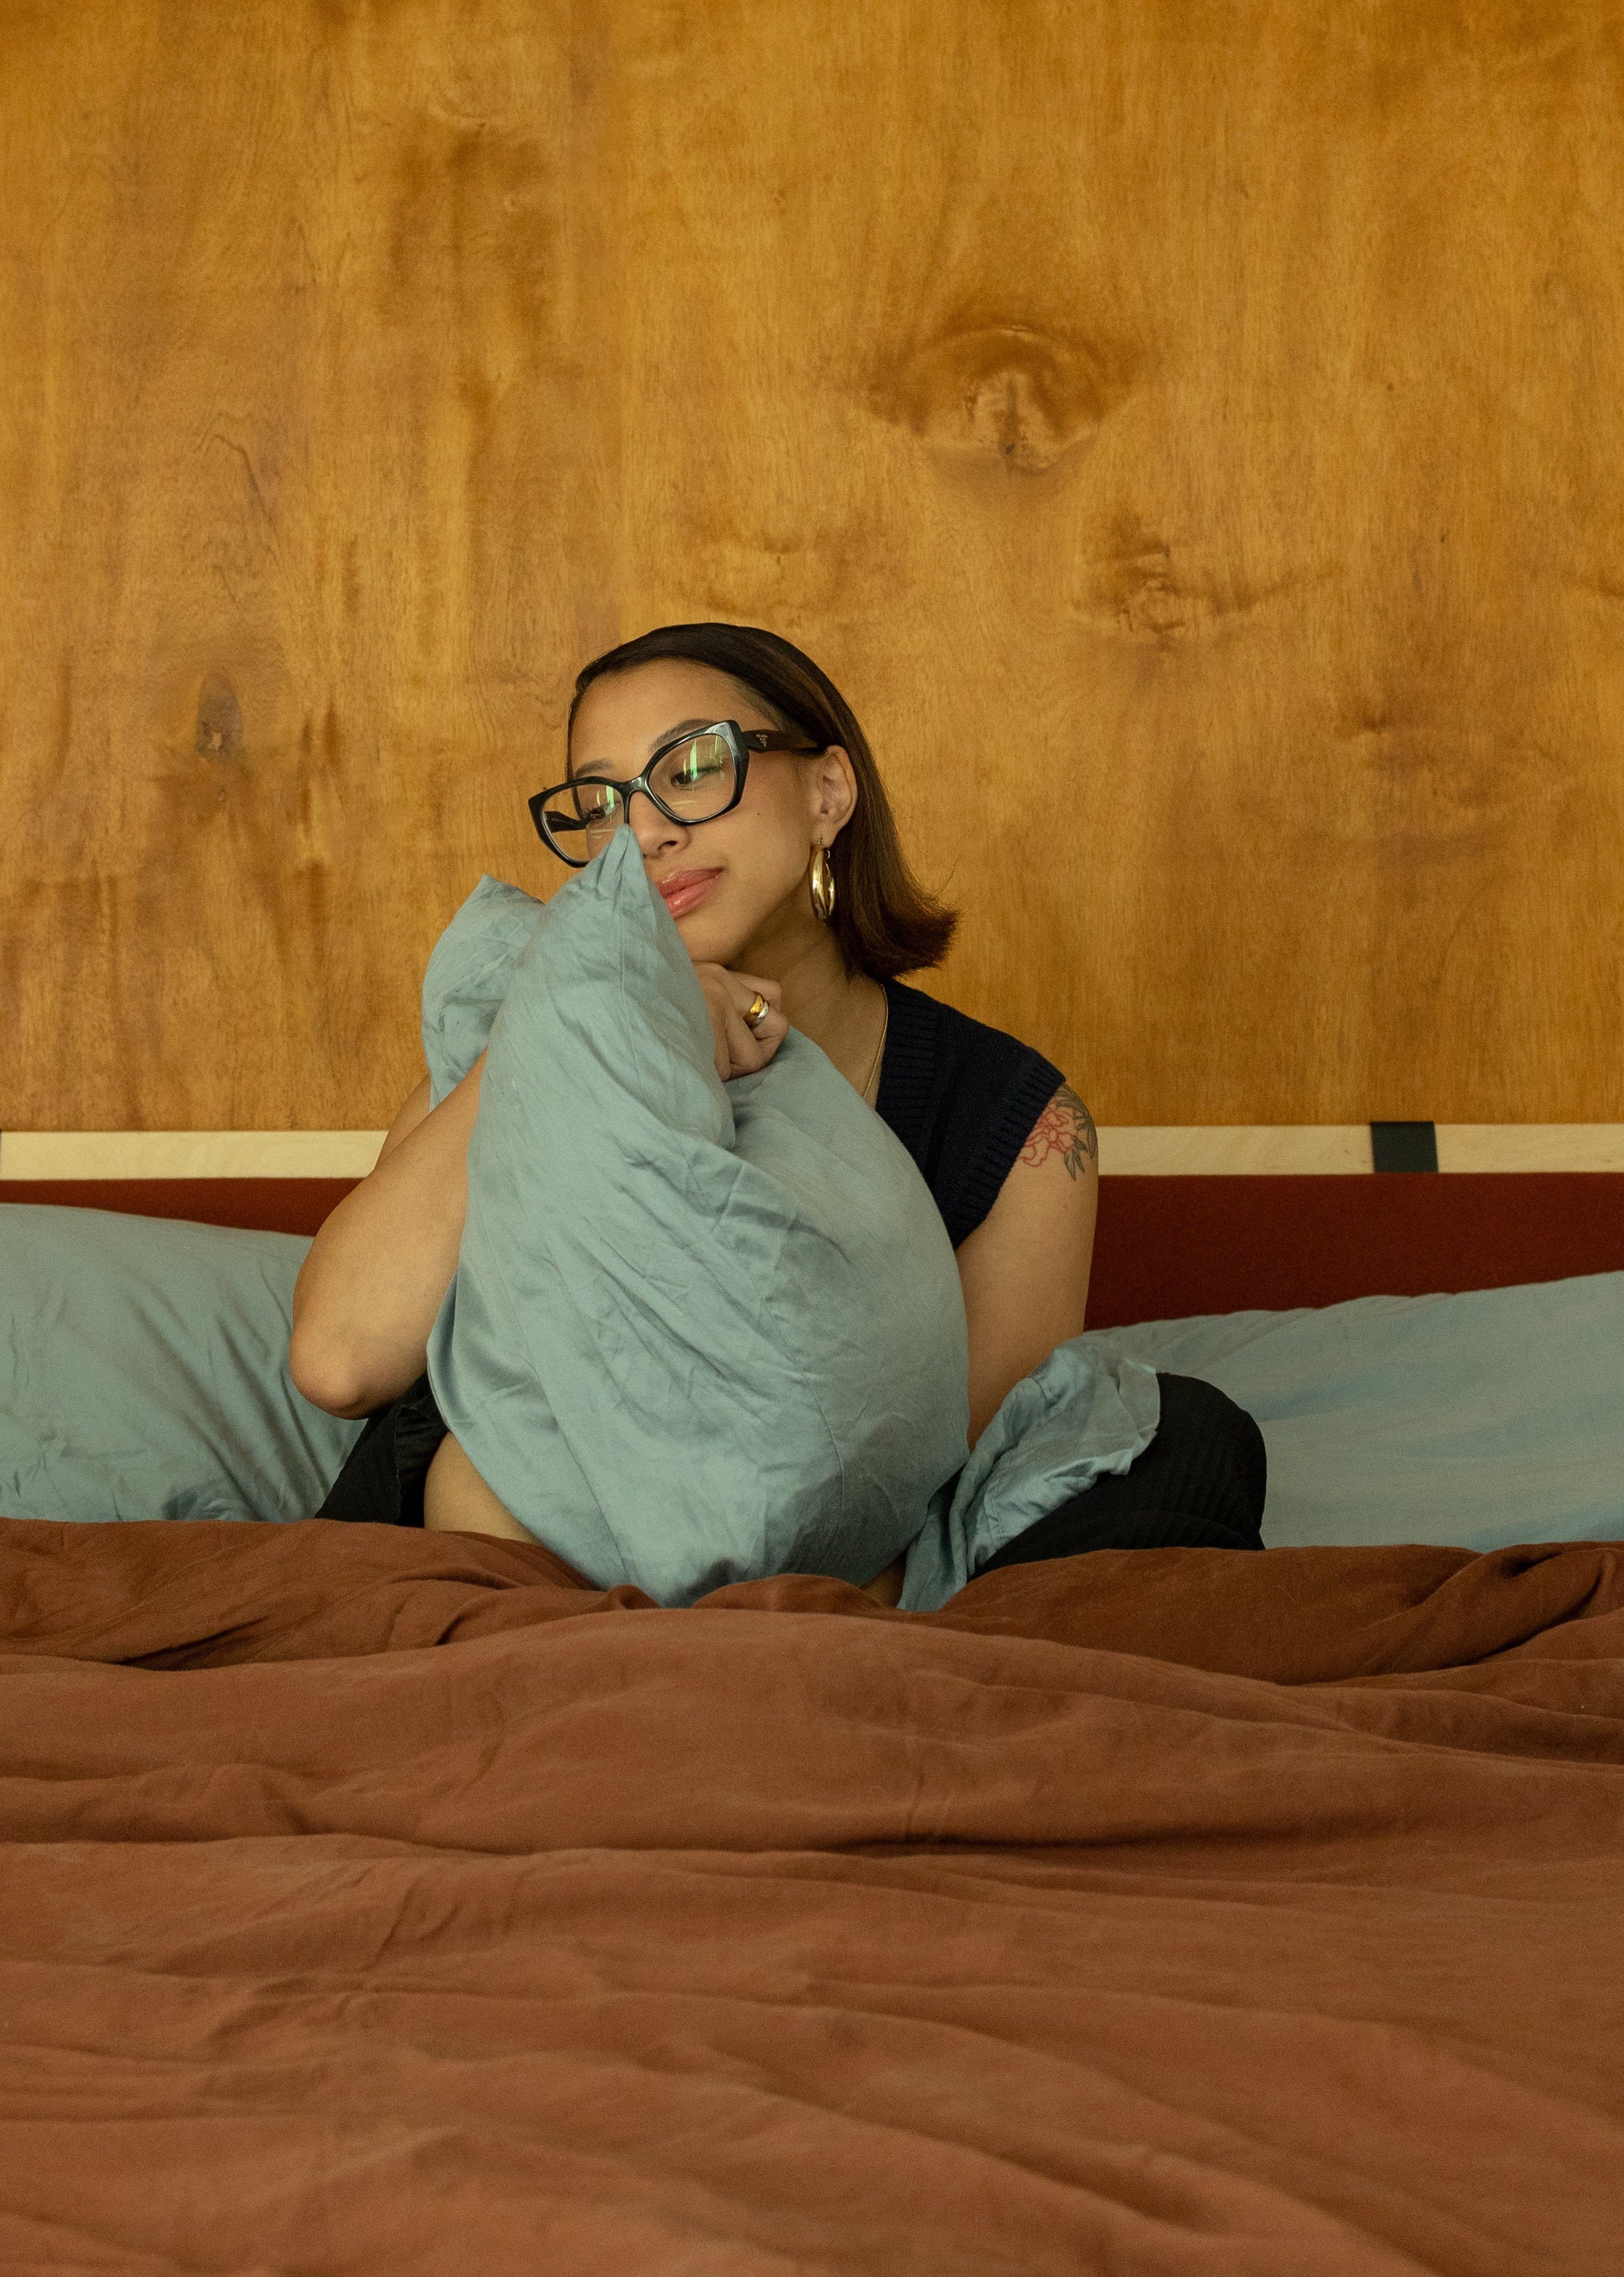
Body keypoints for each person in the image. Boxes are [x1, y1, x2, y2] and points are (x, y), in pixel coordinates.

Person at [289, 620, 1261, 1595]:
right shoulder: (519, 1031)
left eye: (695, 764)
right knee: (445, 1427)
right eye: (602, 802)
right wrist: (583, 1030)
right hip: (519, 1544)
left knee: (1177, 1434)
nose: (647, 832)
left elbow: (891, 1483)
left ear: (827, 794)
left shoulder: (1021, 1129)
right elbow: (340, 1360)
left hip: (834, 1572)